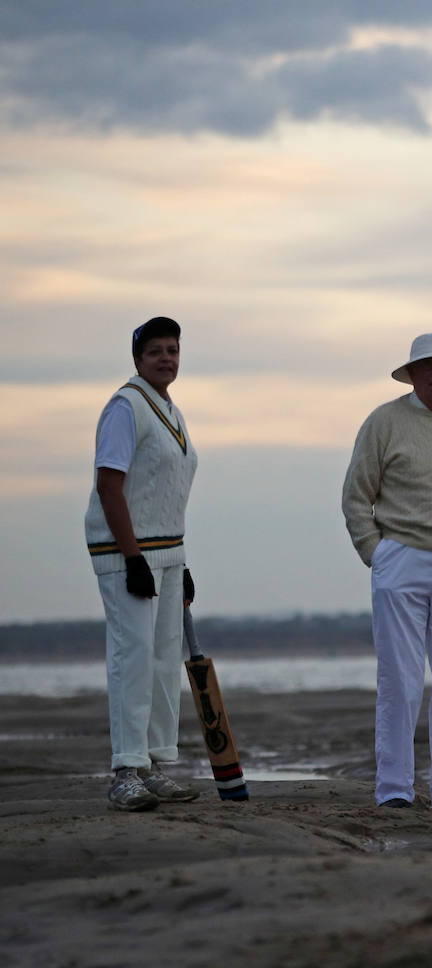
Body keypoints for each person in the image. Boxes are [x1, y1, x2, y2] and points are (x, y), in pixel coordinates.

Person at [342, 333, 432, 811]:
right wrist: (375, 552)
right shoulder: (384, 422)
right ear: (412, 373)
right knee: (401, 678)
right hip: (401, 556)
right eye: (430, 367)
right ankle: (395, 789)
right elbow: (356, 495)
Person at [84, 316, 201, 811]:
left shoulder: (171, 411)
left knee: (161, 661)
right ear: (137, 359)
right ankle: (124, 771)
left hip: (167, 553)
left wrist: (181, 561)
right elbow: (111, 485)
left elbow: (165, 492)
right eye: (155, 350)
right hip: (126, 552)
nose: (166, 358)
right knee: (132, 658)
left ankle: (152, 765)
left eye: (172, 349)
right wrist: (133, 557)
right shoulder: (126, 406)